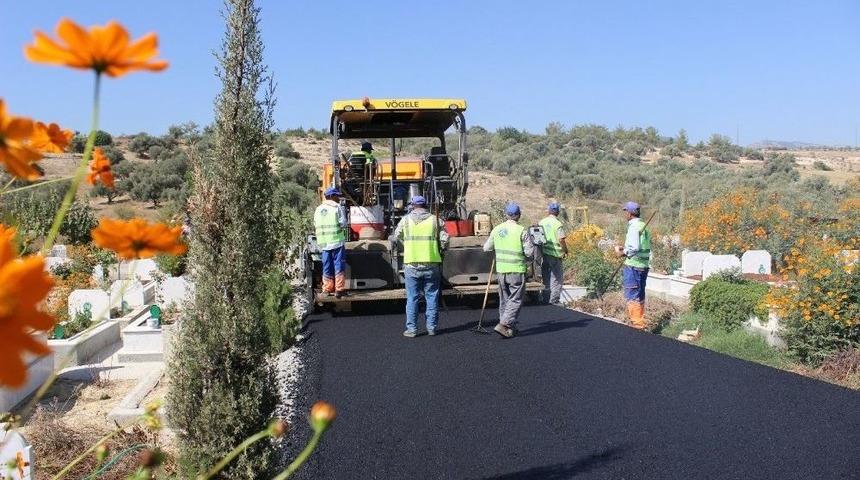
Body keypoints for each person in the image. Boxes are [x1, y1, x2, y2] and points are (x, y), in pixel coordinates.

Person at [390, 196, 449, 337]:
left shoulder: (405, 220)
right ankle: (432, 328)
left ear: (412, 206)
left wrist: (402, 243)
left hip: (412, 265)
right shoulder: (436, 220)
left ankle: (412, 330)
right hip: (431, 264)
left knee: (412, 298)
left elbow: (395, 237)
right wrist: (441, 249)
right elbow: (445, 239)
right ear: (425, 205)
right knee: (432, 297)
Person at [484, 203, 535, 338]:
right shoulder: (521, 231)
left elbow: (486, 248)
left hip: (501, 270)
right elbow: (530, 252)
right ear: (519, 215)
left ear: (506, 214)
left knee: (505, 299)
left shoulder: (497, 229)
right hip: (516, 270)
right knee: (516, 299)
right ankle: (504, 324)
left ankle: (508, 328)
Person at [614, 201, 651, 330]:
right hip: (643, 265)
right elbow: (640, 246)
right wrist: (625, 248)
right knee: (640, 294)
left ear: (630, 213)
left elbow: (634, 248)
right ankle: (640, 321)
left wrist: (622, 252)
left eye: (626, 212)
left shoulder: (634, 226)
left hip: (633, 266)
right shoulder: (643, 225)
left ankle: (637, 325)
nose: (625, 214)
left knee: (632, 294)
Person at [314, 187, 348, 298]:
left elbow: (315, 224)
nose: (338, 198)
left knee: (327, 265)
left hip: (324, 243)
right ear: (331, 196)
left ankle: (327, 289)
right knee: (339, 265)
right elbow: (343, 223)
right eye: (336, 196)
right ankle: (339, 290)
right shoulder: (336, 207)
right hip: (336, 241)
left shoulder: (318, 209)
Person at [539, 202, 568, 305]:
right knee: (557, 277)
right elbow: (561, 240)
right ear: (558, 212)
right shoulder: (557, 224)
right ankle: (554, 300)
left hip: (545, 253)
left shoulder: (542, 222)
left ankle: (545, 298)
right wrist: (565, 250)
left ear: (549, 211)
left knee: (546, 276)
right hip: (555, 254)